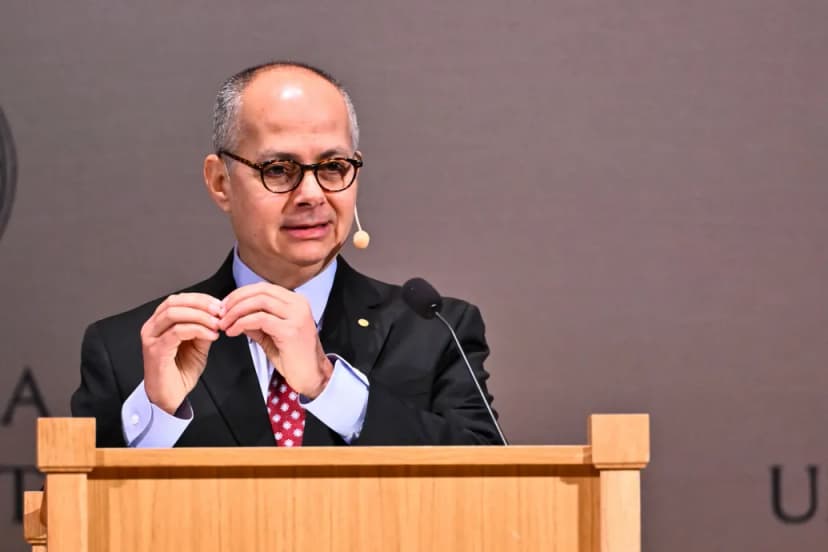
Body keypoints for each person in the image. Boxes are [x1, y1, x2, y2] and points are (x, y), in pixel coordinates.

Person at [71, 61, 500, 447]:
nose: (312, 194)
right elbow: (78, 501)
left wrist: (329, 386)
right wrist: (158, 414)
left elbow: (490, 484)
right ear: (220, 182)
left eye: (333, 167)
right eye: (278, 170)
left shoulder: (434, 331)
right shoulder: (130, 347)